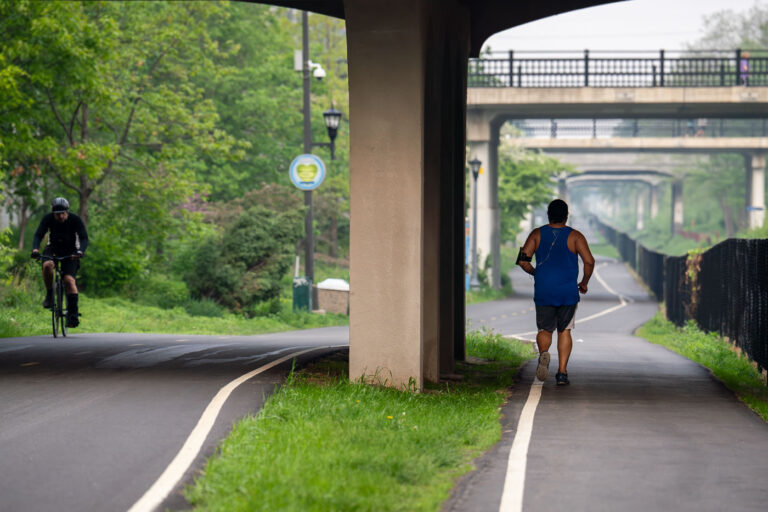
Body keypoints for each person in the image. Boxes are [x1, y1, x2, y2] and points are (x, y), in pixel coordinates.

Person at [516, 199, 594, 385]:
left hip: (544, 290)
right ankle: (562, 373)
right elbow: (589, 261)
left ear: (548, 214)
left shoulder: (537, 234)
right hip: (567, 291)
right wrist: (584, 282)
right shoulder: (575, 236)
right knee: (564, 330)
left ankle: (544, 354)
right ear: (566, 216)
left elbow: (523, 260)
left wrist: (536, 273)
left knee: (545, 329)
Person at [31, 198, 88, 328]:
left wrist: (80, 251)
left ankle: (73, 314)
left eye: (63, 213)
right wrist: (35, 249)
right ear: (53, 213)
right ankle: (50, 294)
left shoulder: (75, 219)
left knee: (69, 280)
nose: (61, 216)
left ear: (67, 211)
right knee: (47, 265)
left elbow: (84, 238)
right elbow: (38, 235)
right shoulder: (48, 219)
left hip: (71, 251)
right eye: (57, 214)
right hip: (53, 248)